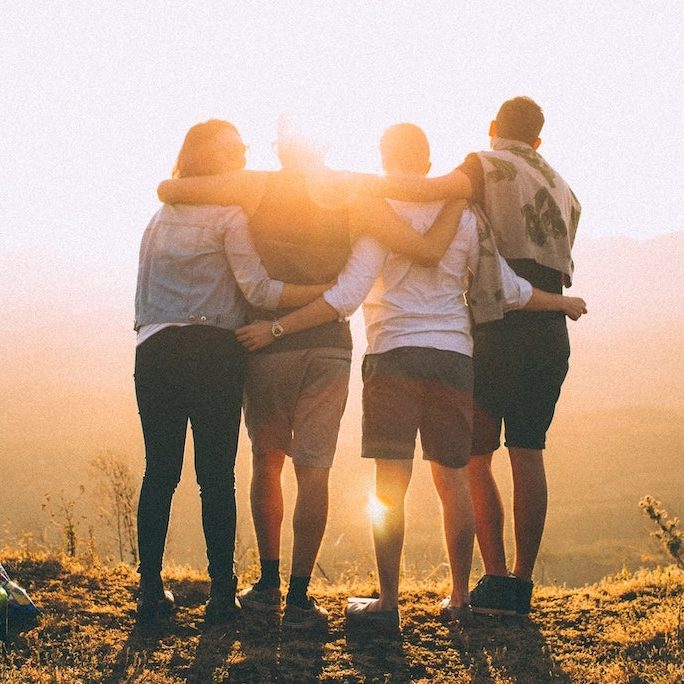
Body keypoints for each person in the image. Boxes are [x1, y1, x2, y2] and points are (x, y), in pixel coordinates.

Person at [235, 122, 586, 630]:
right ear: (427, 163)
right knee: (454, 482)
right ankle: (461, 598)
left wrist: (278, 326)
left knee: (390, 486)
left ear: (385, 158)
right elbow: (507, 288)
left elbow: (347, 296)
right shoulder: (465, 216)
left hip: (393, 356)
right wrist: (562, 302)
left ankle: (389, 602)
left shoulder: (377, 214)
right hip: (454, 359)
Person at [157, 116, 465, 630]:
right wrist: (457, 195)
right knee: (314, 469)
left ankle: (268, 583)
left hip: (265, 343)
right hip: (328, 346)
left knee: (267, 461)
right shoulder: (352, 192)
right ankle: (300, 596)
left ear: (281, 150)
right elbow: (417, 245)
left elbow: (173, 188)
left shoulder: (257, 186)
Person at [357, 97, 583, 616]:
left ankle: (493, 579)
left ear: (492, 128)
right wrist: (562, 303)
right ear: (539, 140)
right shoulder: (566, 189)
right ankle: (519, 586)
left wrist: (355, 185)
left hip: (496, 325)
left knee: (472, 460)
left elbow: (431, 191)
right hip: (547, 329)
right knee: (529, 452)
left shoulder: (484, 164)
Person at [133, 119, 331, 623]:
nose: (244, 154)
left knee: (160, 472)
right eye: (236, 149)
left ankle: (150, 592)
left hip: (154, 349)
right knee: (215, 477)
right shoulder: (228, 216)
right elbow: (260, 292)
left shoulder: (159, 217)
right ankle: (223, 596)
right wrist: (326, 294)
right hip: (213, 353)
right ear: (215, 160)